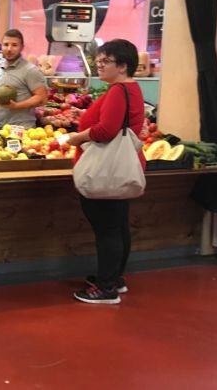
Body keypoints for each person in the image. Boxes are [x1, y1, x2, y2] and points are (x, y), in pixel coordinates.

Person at [67, 39, 146, 305]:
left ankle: (105, 288)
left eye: (105, 61)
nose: (99, 66)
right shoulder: (131, 89)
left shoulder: (117, 92)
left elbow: (105, 131)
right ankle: (114, 278)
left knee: (108, 229)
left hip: (106, 169)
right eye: (98, 61)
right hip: (120, 167)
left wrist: (76, 138)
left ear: (123, 66)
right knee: (118, 225)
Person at [0, 29, 48, 128]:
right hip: (0, 126)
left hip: (21, 128)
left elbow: (41, 97)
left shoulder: (30, 70)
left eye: (14, 45)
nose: (9, 49)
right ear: (1, 46)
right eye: (6, 45)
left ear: (21, 47)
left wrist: (16, 106)